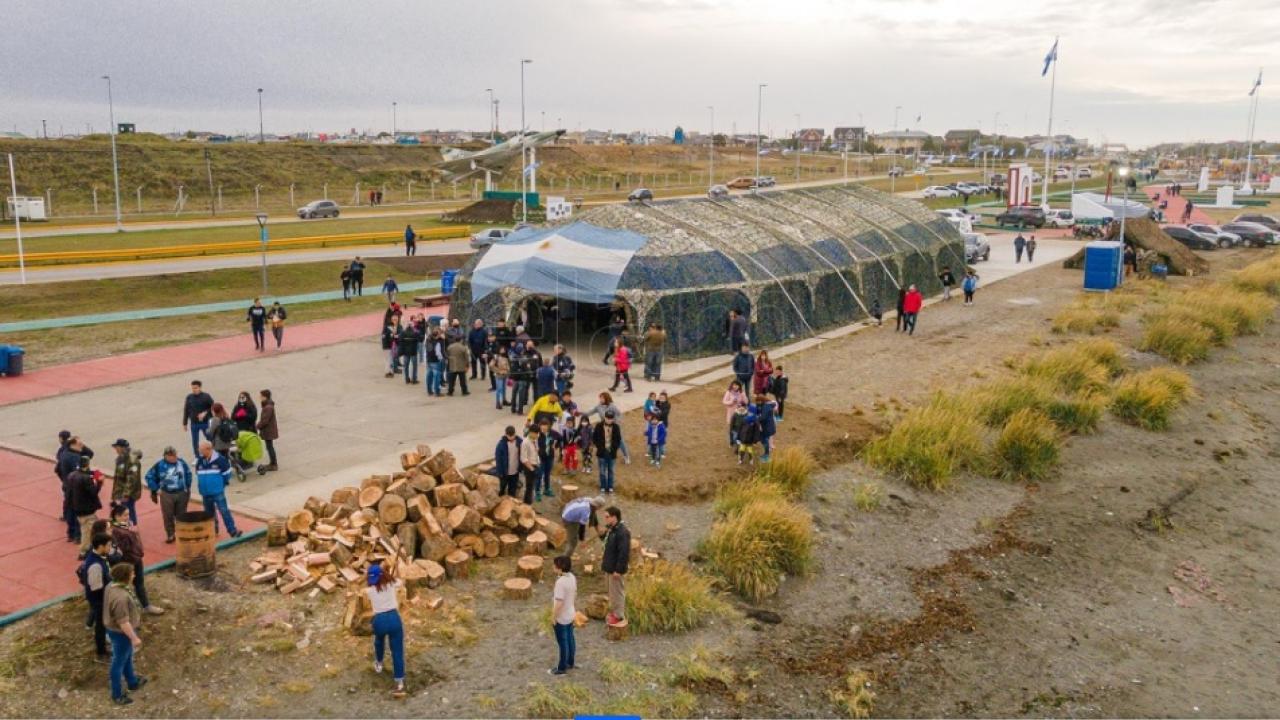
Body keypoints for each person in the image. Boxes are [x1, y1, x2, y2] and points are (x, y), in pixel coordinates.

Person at [103, 562, 147, 705]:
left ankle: (132, 682)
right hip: (121, 633)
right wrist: (134, 638)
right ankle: (117, 695)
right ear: (126, 577)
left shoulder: (112, 586)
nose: (134, 575)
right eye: (132, 573)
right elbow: (123, 622)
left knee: (127, 656)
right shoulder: (120, 598)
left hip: (116, 630)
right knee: (118, 662)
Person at [109, 503, 164, 616]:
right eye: (125, 515)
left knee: (139, 583)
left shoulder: (127, 526)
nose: (128, 517)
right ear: (117, 517)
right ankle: (126, 610)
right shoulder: (116, 531)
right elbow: (123, 549)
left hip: (136, 559)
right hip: (128, 562)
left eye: (128, 514)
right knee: (125, 586)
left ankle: (145, 605)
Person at [366, 564, 407, 695]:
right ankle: (399, 682)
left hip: (379, 620)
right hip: (394, 619)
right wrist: (390, 576)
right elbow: (401, 581)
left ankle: (379, 663)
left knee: (379, 641)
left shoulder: (370, 591)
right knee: (397, 651)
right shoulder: (391, 584)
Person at [144, 446, 192, 543]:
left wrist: (187, 485)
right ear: (166, 456)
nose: (174, 457)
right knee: (168, 515)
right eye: (171, 456)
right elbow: (148, 476)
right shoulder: (159, 465)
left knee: (182, 515)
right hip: (167, 494)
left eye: (175, 455)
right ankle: (170, 534)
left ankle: (182, 534)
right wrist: (156, 488)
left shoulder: (181, 462)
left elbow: (188, 473)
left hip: (182, 492)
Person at [195, 441, 241, 538]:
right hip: (205, 493)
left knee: (224, 511)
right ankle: (213, 530)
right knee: (208, 514)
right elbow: (197, 473)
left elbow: (227, 474)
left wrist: (220, 485)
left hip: (217, 492)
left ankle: (232, 531)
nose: (199, 451)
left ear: (208, 449)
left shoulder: (220, 460)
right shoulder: (200, 461)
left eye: (201, 450)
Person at [597, 506, 631, 625]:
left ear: (614, 517)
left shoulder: (622, 532)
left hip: (616, 569)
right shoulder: (611, 529)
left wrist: (619, 570)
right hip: (609, 566)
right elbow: (605, 541)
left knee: (617, 593)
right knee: (611, 592)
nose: (605, 519)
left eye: (607, 517)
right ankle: (614, 612)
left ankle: (619, 616)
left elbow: (624, 553)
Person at [58, 434, 94, 543]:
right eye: (79, 443)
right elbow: (81, 473)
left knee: (70, 510)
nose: (82, 445)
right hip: (76, 488)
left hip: (67, 486)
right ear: (73, 444)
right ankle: (78, 535)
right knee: (78, 512)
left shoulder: (64, 453)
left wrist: (64, 480)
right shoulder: (74, 458)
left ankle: (71, 533)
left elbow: (90, 454)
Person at [69, 454, 103, 558]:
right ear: (87, 464)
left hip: (77, 508)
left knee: (84, 529)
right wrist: (99, 482)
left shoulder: (72, 475)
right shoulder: (86, 478)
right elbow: (93, 492)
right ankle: (86, 551)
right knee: (90, 531)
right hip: (87, 509)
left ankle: (84, 550)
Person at [549, 555, 578, 675]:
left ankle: (562, 667)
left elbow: (559, 602)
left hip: (562, 616)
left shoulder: (560, 583)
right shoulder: (572, 577)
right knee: (570, 638)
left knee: (563, 642)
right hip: (570, 612)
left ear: (560, 568)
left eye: (555, 565)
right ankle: (570, 662)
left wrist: (553, 616)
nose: (553, 567)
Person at [586, 391, 630, 464]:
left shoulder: (612, 406)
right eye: (600, 398)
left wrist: (616, 422)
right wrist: (581, 414)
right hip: (603, 427)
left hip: (614, 426)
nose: (600, 400)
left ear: (606, 398)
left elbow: (619, 414)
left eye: (602, 398)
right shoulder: (598, 406)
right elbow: (590, 412)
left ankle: (626, 456)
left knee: (620, 441)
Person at [109, 439, 143, 526]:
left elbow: (131, 479)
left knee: (128, 512)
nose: (115, 449)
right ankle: (126, 529)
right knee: (124, 511)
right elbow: (119, 478)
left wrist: (126, 494)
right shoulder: (121, 458)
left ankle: (132, 530)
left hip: (128, 494)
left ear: (122, 448)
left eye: (116, 447)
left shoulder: (132, 460)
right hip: (121, 492)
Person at [592, 410, 623, 493]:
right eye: (607, 418)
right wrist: (599, 447)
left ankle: (610, 486)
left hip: (612, 452)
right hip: (602, 452)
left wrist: (614, 449)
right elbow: (594, 438)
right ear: (604, 417)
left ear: (613, 419)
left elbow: (618, 439)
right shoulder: (598, 426)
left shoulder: (616, 427)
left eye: (611, 418)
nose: (609, 420)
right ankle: (603, 486)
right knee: (602, 470)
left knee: (611, 470)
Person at [181, 380, 214, 457]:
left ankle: (212, 454)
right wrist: (185, 423)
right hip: (194, 423)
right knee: (195, 441)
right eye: (192, 388)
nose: (194, 390)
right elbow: (186, 409)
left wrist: (205, 412)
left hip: (205, 423)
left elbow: (213, 406)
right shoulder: (189, 397)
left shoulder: (206, 396)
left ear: (200, 387)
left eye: (195, 388)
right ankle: (197, 456)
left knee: (210, 438)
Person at [494, 426, 523, 498]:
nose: (511, 438)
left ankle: (511, 503)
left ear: (515, 433)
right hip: (504, 473)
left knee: (512, 490)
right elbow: (498, 460)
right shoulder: (501, 445)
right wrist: (500, 472)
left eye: (512, 436)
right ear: (506, 434)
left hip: (515, 471)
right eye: (509, 436)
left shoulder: (520, 442)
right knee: (502, 488)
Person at [257, 389, 280, 472]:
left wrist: (257, 426)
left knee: (270, 447)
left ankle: (274, 464)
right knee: (269, 447)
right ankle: (272, 463)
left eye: (261, 396)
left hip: (269, 431)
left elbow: (265, 421)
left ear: (265, 397)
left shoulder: (268, 407)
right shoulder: (267, 405)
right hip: (268, 430)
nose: (260, 397)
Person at [534, 420, 557, 501]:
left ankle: (547, 489)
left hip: (550, 457)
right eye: (542, 426)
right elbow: (527, 435)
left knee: (547, 474)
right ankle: (537, 492)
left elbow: (560, 438)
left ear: (548, 426)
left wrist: (556, 445)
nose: (544, 428)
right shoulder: (537, 434)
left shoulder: (552, 433)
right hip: (540, 458)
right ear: (540, 426)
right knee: (539, 475)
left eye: (545, 426)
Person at [520, 423, 543, 505]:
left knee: (533, 486)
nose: (538, 435)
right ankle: (527, 504)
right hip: (529, 467)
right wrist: (532, 469)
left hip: (536, 464)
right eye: (536, 433)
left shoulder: (535, 440)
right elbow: (523, 459)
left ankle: (530, 503)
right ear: (531, 432)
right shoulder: (525, 443)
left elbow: (536, 452)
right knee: (529, 487)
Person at [722, 380, 747, 447]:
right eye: (734, 385)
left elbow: (746, 402)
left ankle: (738, 441)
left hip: (740, 413)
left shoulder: (742, 393)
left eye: (736, 385)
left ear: (739, 386)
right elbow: (724, 401)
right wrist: (731, 401)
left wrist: (742, 402)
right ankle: (731, 441)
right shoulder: (729, 392)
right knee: (731, 428)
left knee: (739, 428)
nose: (735, 386)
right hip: (731, 413)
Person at [755, 393, 779, 462]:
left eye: (758, 401)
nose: (757, 402)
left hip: (767, 427)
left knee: (765, 440)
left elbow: (763, 417)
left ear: (762, 400)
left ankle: (766, 455)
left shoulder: (766, 407)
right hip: (768, 426)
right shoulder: (766, 405)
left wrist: (756, 418)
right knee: (765, 440)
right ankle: (766, 454)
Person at [425, 328, 446, 397]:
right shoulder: (438, 342)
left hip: (429, 360)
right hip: (436, 361)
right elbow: (438, 352)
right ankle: (437, 392)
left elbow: (427, 350)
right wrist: (442, 358)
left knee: (429, 376)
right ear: (438, 334)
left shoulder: (428, 339)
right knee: (437, 377)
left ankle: (429, 391)